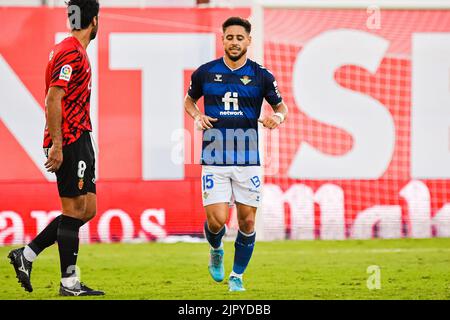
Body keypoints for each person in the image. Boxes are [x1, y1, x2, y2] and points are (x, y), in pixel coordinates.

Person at [184, 16, 288, 292]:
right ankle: (216, 248)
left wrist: (276, 119)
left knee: (247, 220)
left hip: (248, 159)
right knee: (217, 221)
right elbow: (189, 100)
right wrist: (197, 117)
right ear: (223, 39)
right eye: (229, 37)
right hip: (214, 157)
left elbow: (281, 108)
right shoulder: (206, 72)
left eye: (239, 38)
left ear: (248, 41)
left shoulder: (262, 75)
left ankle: (237, 277)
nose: (234, 42)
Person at [7, 0, 104, 296]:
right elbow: (53, 98)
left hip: (81, 137)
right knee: (73, 210)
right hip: (70, 139)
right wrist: (58, 145)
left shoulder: (76, 52)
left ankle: (27, 255)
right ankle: (69, 283)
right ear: (95, 21)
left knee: (87, 209)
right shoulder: (69, 52)